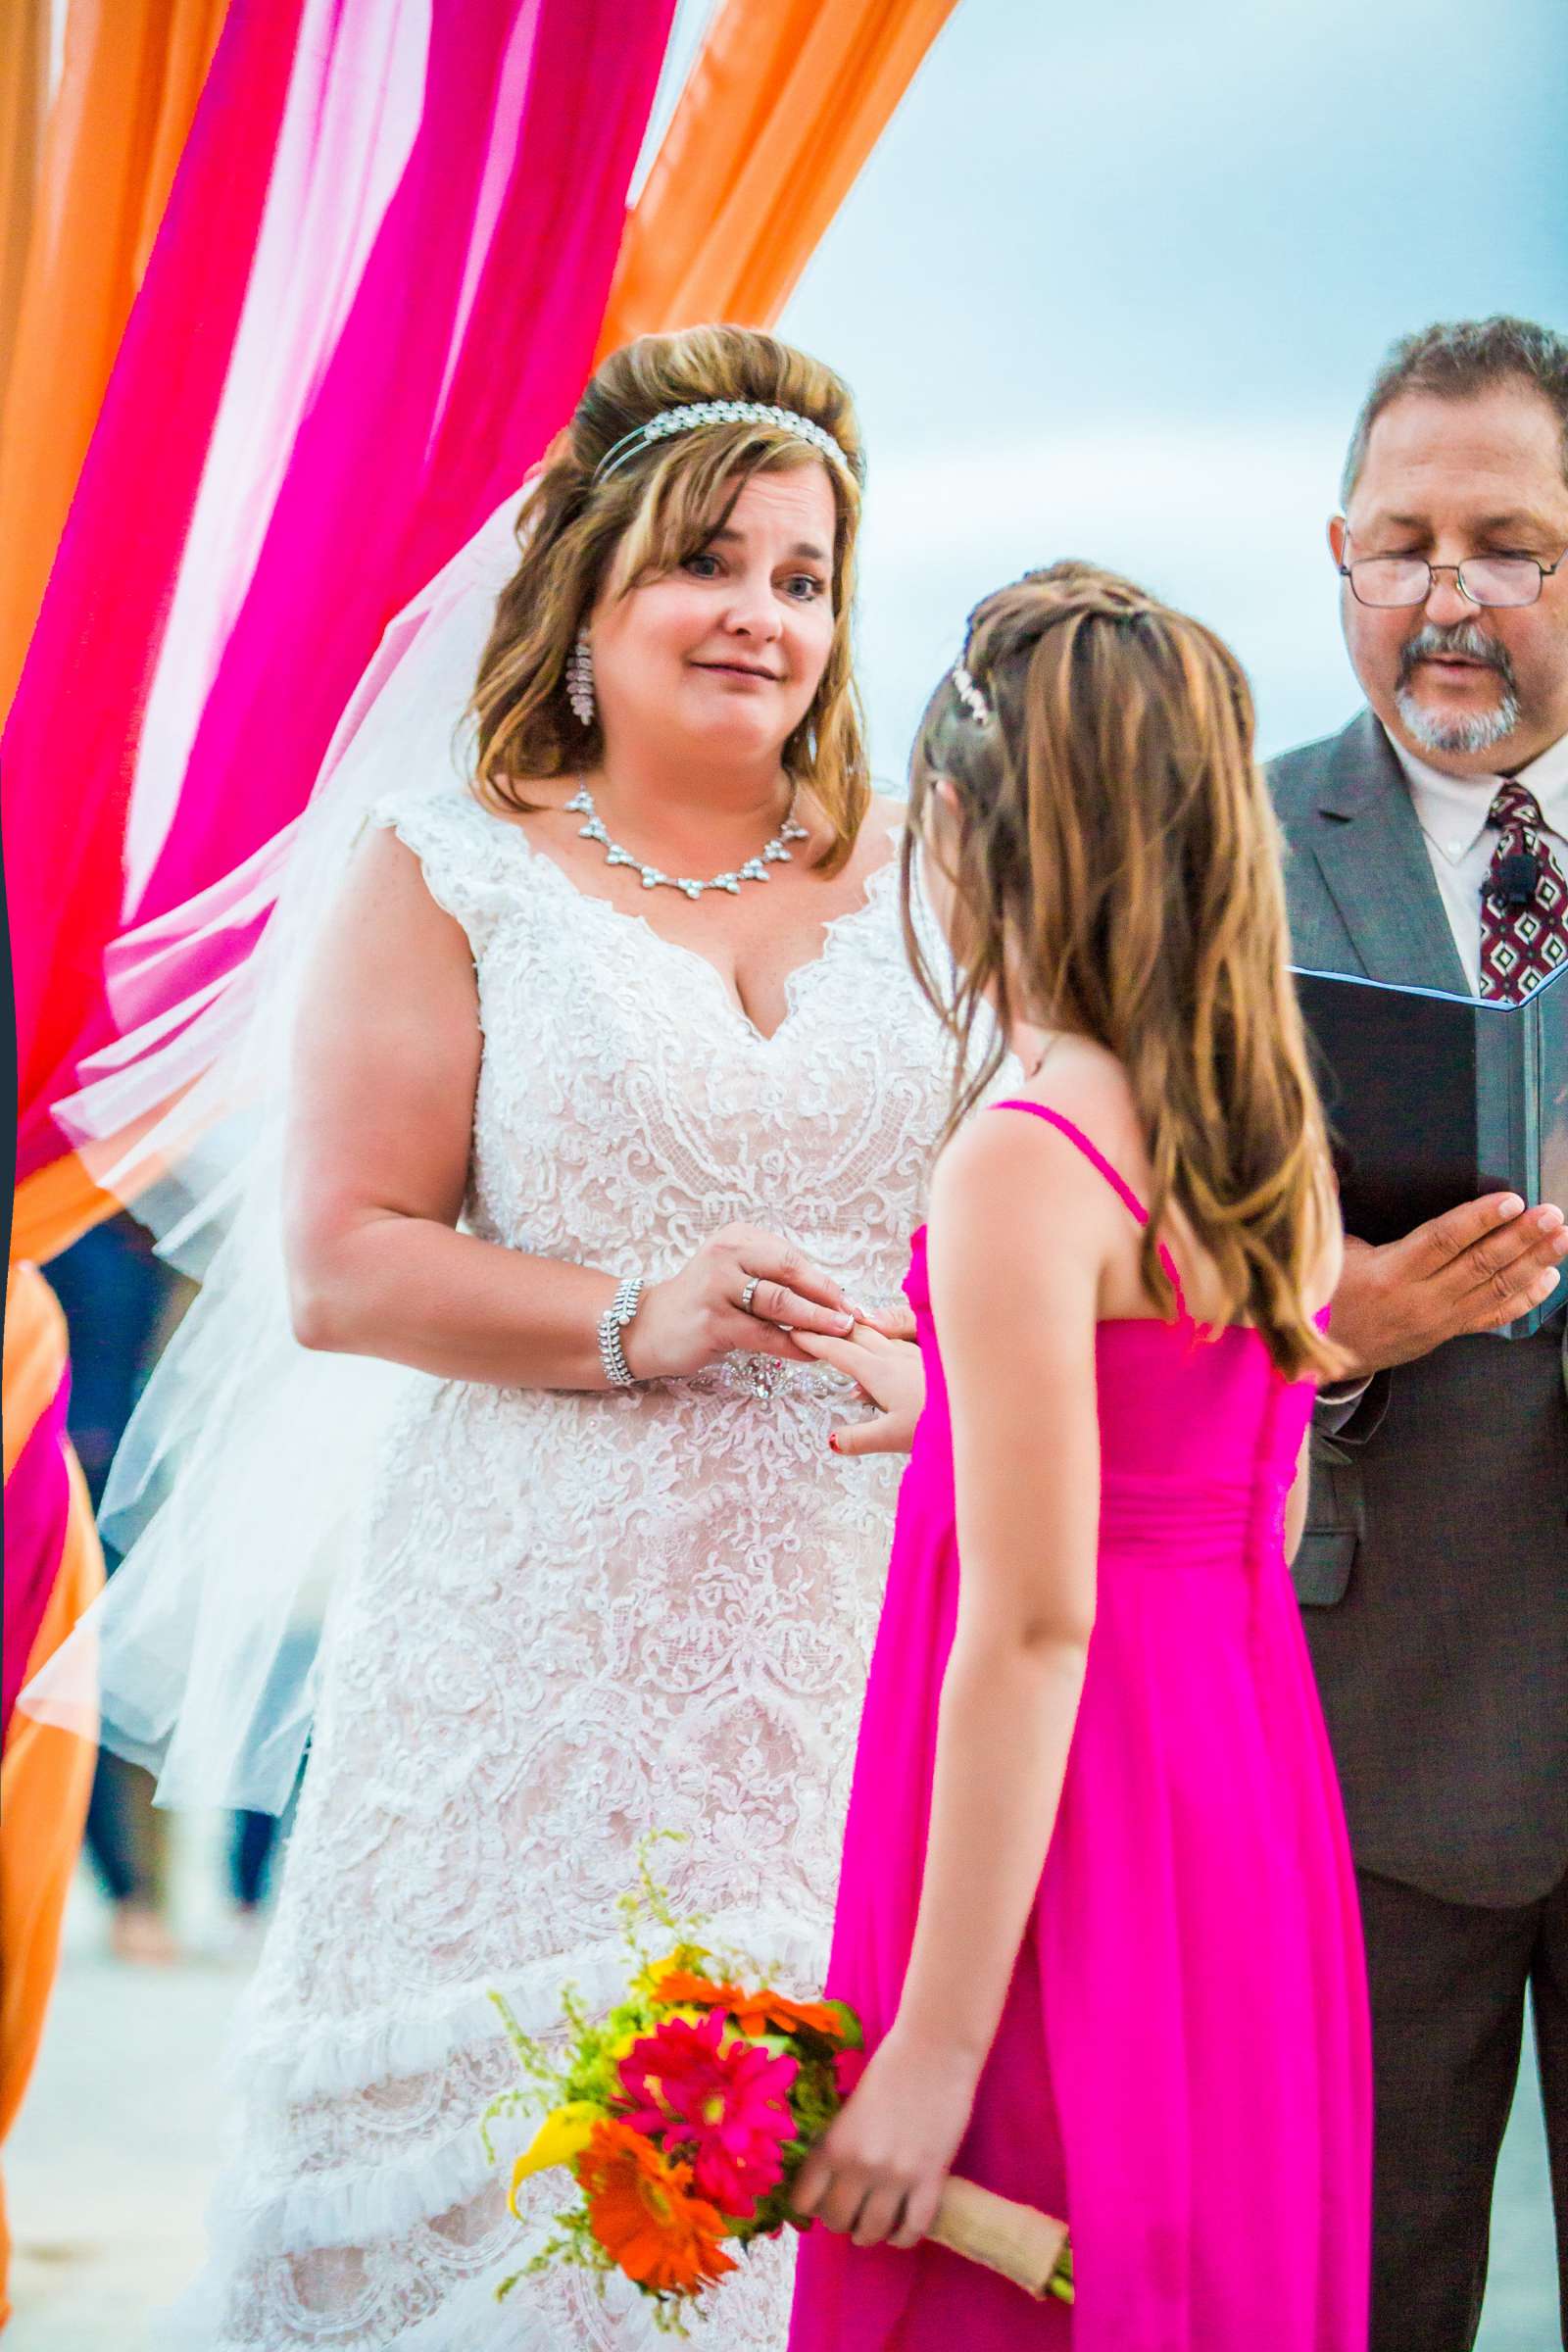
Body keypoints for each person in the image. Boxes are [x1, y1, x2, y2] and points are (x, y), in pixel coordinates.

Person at [26, 325, 958, 2350]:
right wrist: (641, 1311)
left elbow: (1038, 1194)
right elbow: (346, 1260)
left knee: (843, 2214)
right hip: (529, 1651)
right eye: (711, 563)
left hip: (859, 1624)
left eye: (804, 579)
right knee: (511, 2224)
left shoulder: (938, 876)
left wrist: (955, 1358)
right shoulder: (448, 872)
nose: (760, 617)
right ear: (588, 590)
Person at [788, 564, 1371, 2350]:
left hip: (1077, 1812)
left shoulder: (1026, 1157)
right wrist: (961, 1408)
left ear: (964, 825)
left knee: (1028, 2256)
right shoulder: (1265, 1130)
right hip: (1239, 1775)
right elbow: (1225, 1483)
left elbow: (1035, 1627)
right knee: (1208, 2231)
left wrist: (934, 2053)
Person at [1270, 316, 1568, 2352]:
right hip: (1372, 1723)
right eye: (1402, 545)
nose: (1445, 599)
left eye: (1509, 546)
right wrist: (1332, 1327)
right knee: (1370, 2304)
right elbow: (1096, 1271)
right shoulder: (1222, 845)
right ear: (1338, 557)